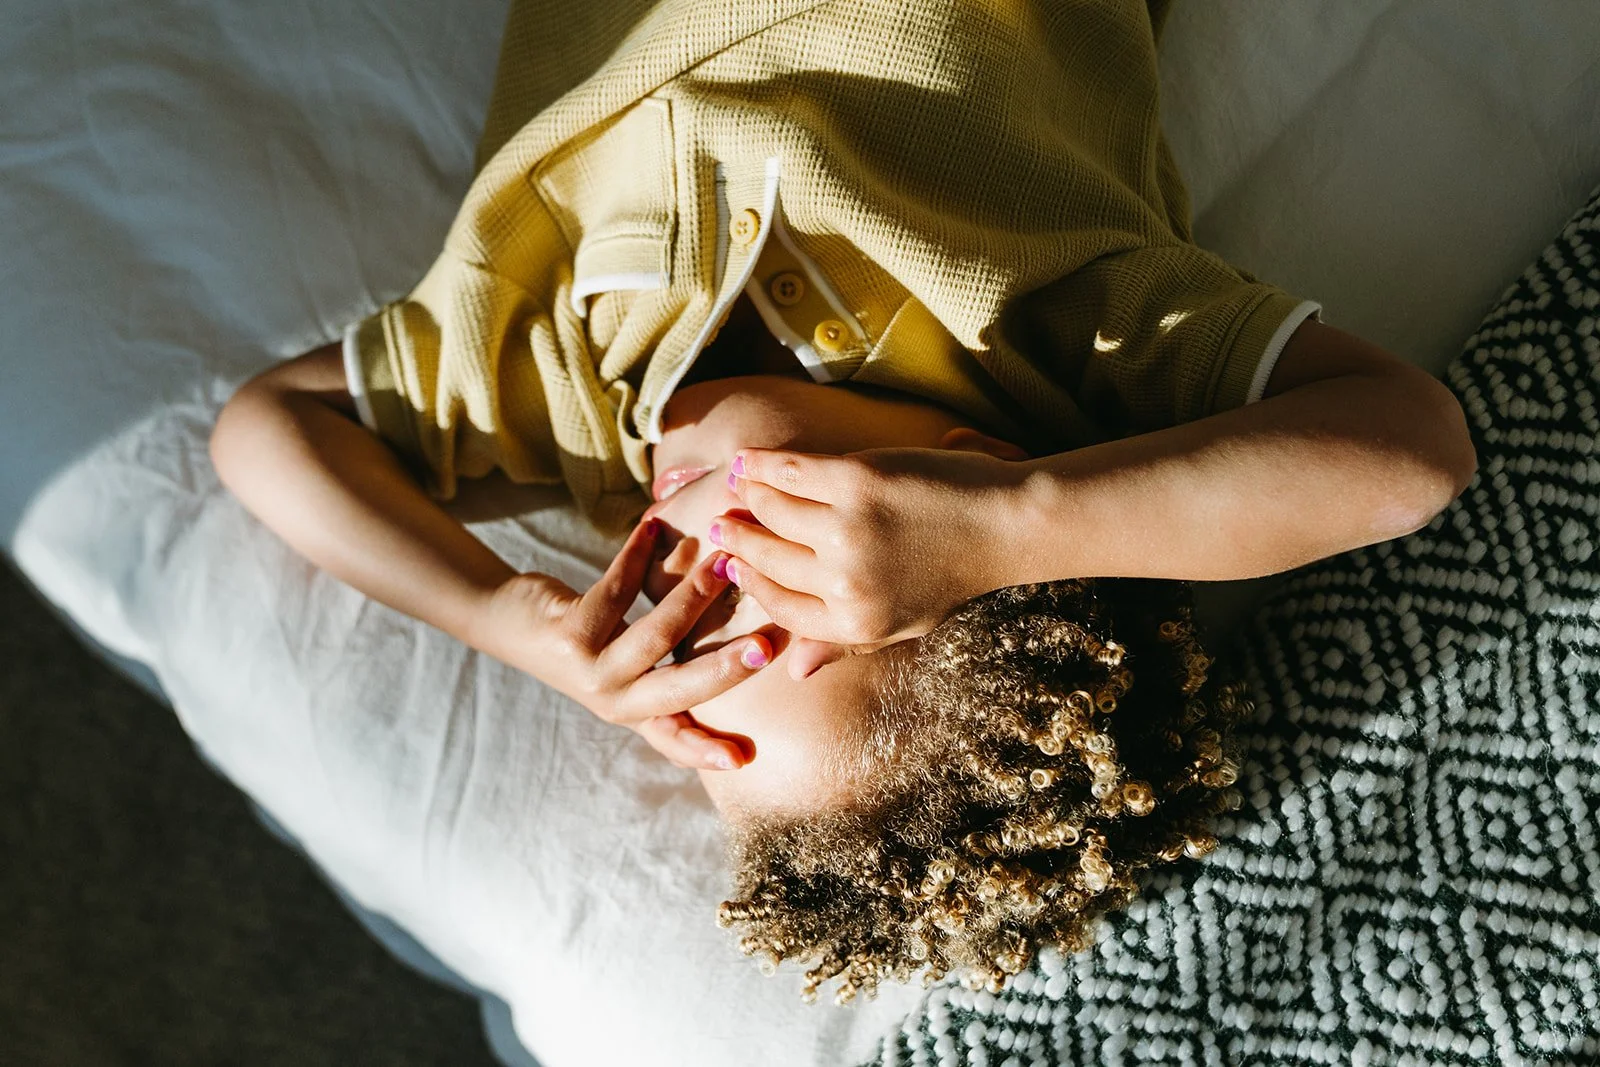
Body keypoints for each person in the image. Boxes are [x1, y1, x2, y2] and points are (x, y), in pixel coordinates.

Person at [208, 0, 1478, 1000]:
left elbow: (271, 427)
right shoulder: (1053, 327)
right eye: (753, 589)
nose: (664, 583)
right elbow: (1411, 454)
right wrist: (1008, 521)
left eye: (670, 666)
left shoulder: (566, 392)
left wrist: (507, 615)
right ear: (954, 470)